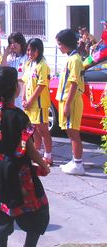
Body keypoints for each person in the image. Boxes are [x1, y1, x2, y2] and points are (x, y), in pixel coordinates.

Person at [0, 66, 50, 247]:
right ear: (14, 89)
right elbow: (26, 148)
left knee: (1, 211)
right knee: (39, 210)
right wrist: (43, 163)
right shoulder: (19, 116)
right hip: (17, 173)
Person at [55, 29, 85, 175]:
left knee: (73, 133)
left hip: (71, 100)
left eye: (60, 44)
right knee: (70, 132)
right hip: (66, 99)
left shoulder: (75, 59)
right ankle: (74, 160)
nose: (59, 47)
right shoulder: (71, 58)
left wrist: (67, 104)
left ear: (66, 44)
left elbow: (73, 83)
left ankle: (78, 164)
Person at [21, 38, 53, 166]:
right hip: (29, 104)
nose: (30, 53)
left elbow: (41, 86)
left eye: (33, 50)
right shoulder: (29, 64)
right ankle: (37, 153)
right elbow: (25, 82)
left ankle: (48, 156)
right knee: (34, 130)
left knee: (43, 130)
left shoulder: (42, 65)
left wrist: (30, 101)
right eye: (28, 49)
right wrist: (23, 98)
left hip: (39, 104)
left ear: (39, 50)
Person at [1, 32, 28, 108]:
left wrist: (13, 79)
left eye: (15, 42)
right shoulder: (10, 58)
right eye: (11, 43)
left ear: (21, 43)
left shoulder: (27, 57)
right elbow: (2, 70)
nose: (13, 45)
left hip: (23, 93)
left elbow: (27, 77)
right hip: (12, 94)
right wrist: (5, 54)